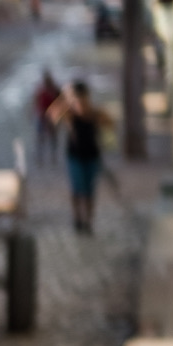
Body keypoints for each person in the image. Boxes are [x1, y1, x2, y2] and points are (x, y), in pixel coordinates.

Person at [49, 77, 110, 234]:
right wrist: (64, 97)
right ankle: (77, 219)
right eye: (78, 100)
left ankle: (88, 221)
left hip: (92, 157)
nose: (81, 104)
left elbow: (111, 123)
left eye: (83, 99)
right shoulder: (69, 115)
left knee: (89, 191)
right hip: (74, 157)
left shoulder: (95, 113)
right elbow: (51, 116)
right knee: (77, 189)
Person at [32, 69, 62, 166]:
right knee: (42, 138)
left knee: (50, 138)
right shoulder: (42, 90)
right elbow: (36, 102)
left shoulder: (54, 90)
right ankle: (42, 157)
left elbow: (60, 102)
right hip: (43, 116)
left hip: (50, 117)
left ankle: (51, 157)